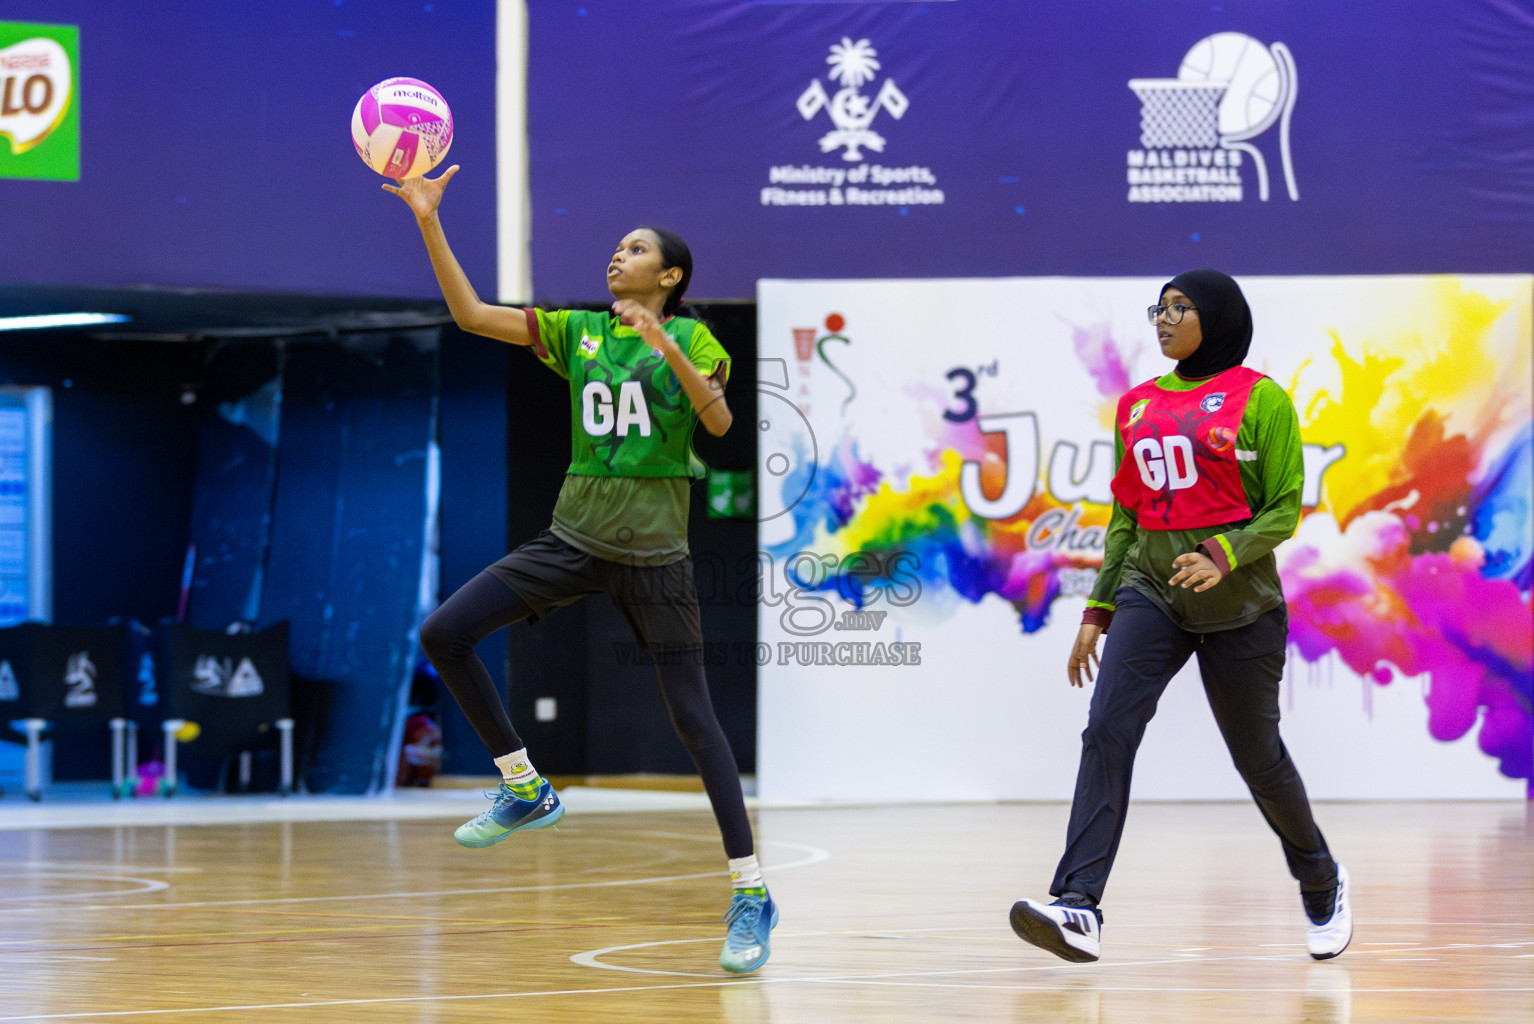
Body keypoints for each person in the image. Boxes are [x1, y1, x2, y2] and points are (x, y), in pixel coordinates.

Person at [384, 164, 777, 974]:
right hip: (571, 539)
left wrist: (663, 339)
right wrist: (428, 218)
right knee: (444, 632)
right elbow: (468, 314)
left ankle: (751, 893)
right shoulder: (577, 333)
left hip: (656, 556)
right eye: (615, 247)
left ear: (668, 276)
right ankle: (524, 785)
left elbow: (720, 417)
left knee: (697, 725)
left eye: (634, 250)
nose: (616, 256)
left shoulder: (695, 340)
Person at [1009, 268, 1352, 964]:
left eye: (1179, 307)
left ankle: (1321, 877)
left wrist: (1226, 552)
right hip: (1152, 591)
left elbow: (1286, 506)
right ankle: (1078, 906)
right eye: (1158, 308)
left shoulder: (1264, 401)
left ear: (1217, 318)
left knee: (1257, 758)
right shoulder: (1136, 406)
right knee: (1107, 727)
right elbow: (1127, 515)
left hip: (1242, 605)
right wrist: (1099, 608)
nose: (1162, 320)